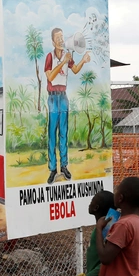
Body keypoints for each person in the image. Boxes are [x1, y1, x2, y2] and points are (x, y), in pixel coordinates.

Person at [44, 27, 91, 184]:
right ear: (53, 41)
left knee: (63, 133)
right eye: (57, 37)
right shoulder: (50, 56)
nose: (61, 39)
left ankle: (64, 166)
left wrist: (83, 60)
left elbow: (75, 70)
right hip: (52, 98)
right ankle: (52, 168)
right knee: (52, 134)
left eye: (62, 37)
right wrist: (63, 62)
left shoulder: (67, 55)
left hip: (63, 97)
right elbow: (50, 77)